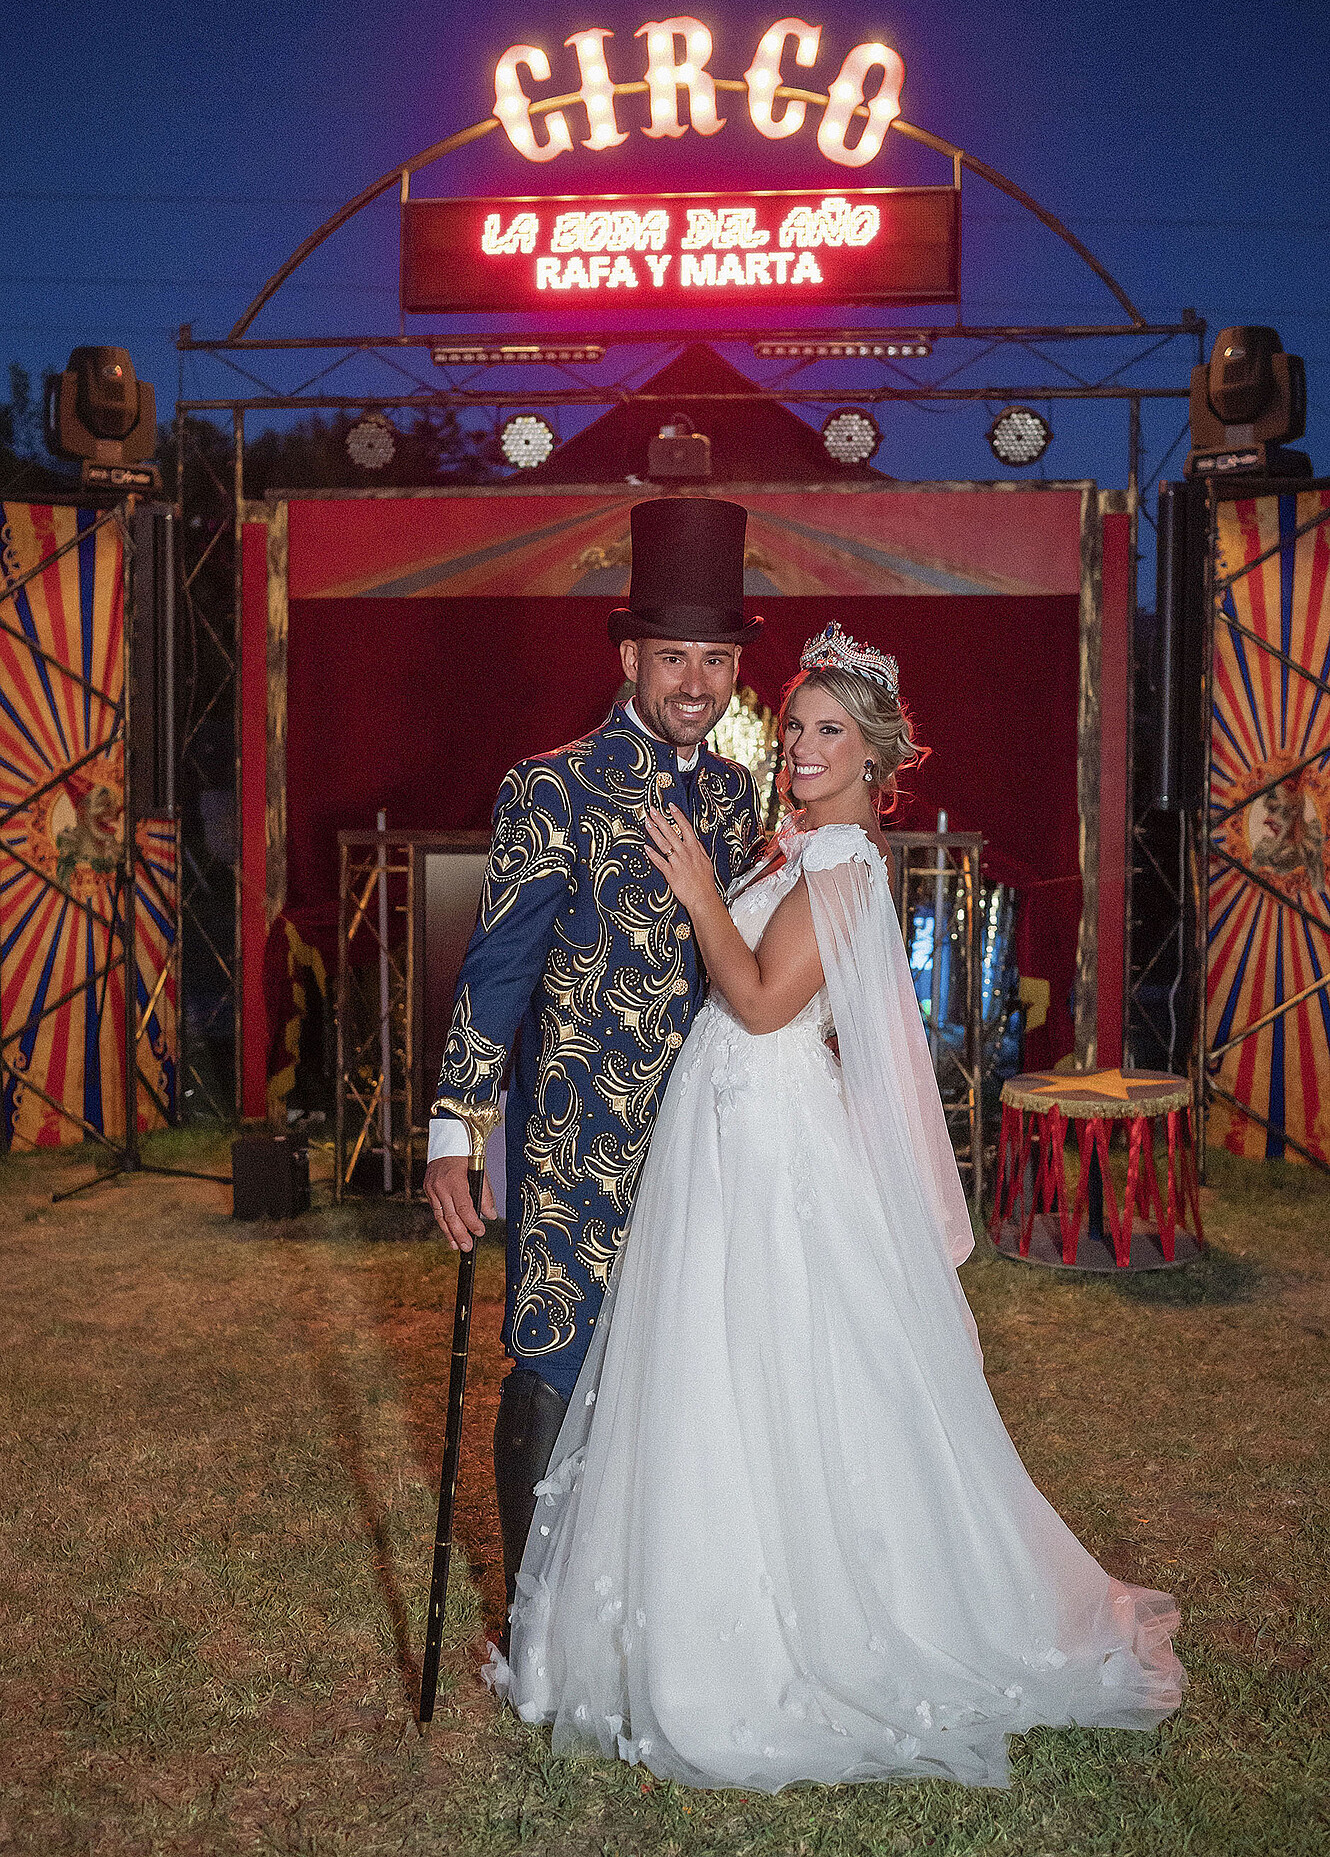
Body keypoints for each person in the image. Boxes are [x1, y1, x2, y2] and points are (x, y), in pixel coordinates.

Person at [488, 622, 1185, 1792]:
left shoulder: (847, 862)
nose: (802, 747)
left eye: (829, 731)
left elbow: (763, 1002)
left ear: (874, 754)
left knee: (769, 1363)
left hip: (767, 1139)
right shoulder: (804, 845)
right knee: (713, 1365)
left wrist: (700, 894)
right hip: (725, 1126)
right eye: (795, 725)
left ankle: (800, 1624)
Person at [425, 498, 764, 1617]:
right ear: (629, 658)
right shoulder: (552, 785)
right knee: (554, 1352)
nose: (696, 682)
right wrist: (455, 1130)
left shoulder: (736, 794)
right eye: (674, 657)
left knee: (685, 1359)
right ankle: (533, 1619)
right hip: (577, 1140)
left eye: (716, 659)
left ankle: (650, 1602)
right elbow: (496, 970)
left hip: (705, 1134)